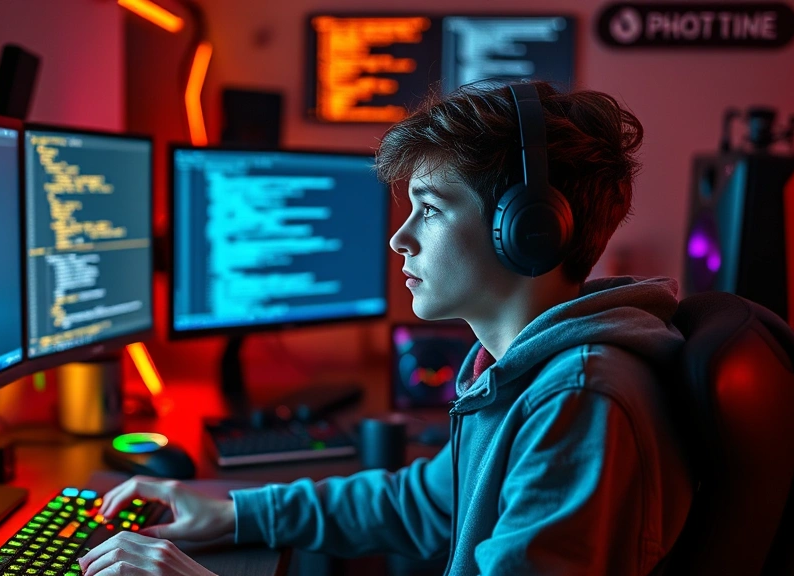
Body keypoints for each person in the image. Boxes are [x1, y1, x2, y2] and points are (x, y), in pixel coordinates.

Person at [77, 80, 693, 575]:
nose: (400, 239)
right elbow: (426, 501)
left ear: (528, 229)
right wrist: (236, 512)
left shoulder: (577, 401)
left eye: (430, 208)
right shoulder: (519, 371)